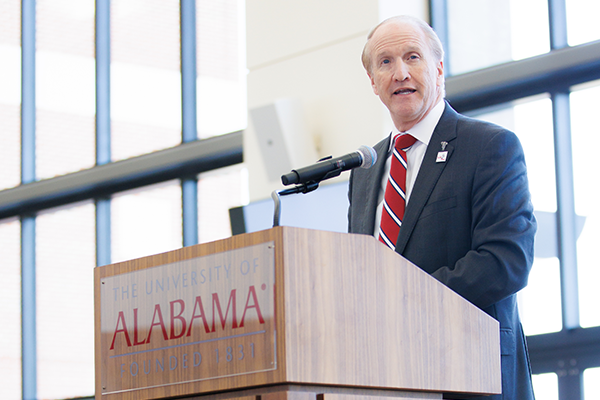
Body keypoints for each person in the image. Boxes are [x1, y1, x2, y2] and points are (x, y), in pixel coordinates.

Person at [347, 15, 536, 400]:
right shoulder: (364, 170)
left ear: (438, 69)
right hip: (384, 377)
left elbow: (506, 261)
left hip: (469, 375)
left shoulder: (488, 147)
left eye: (412, 57)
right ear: (372, 82)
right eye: (385, 62)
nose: (400, 72)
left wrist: (402, 303)